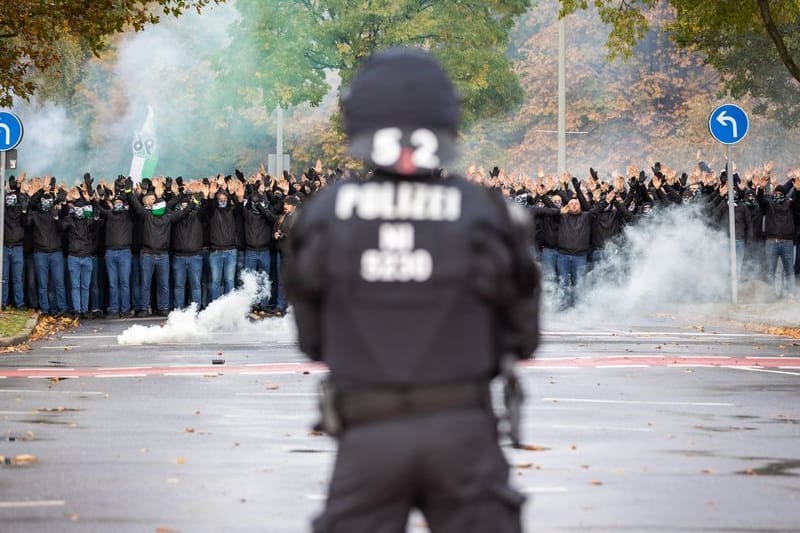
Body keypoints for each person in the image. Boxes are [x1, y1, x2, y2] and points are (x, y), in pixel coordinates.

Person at [286, 48, 540, 533]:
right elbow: (524, 337)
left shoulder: (324, 214)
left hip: (367, 435)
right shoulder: (487, 213)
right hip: (465, 433)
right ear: (448, 119)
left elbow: (311, 340)